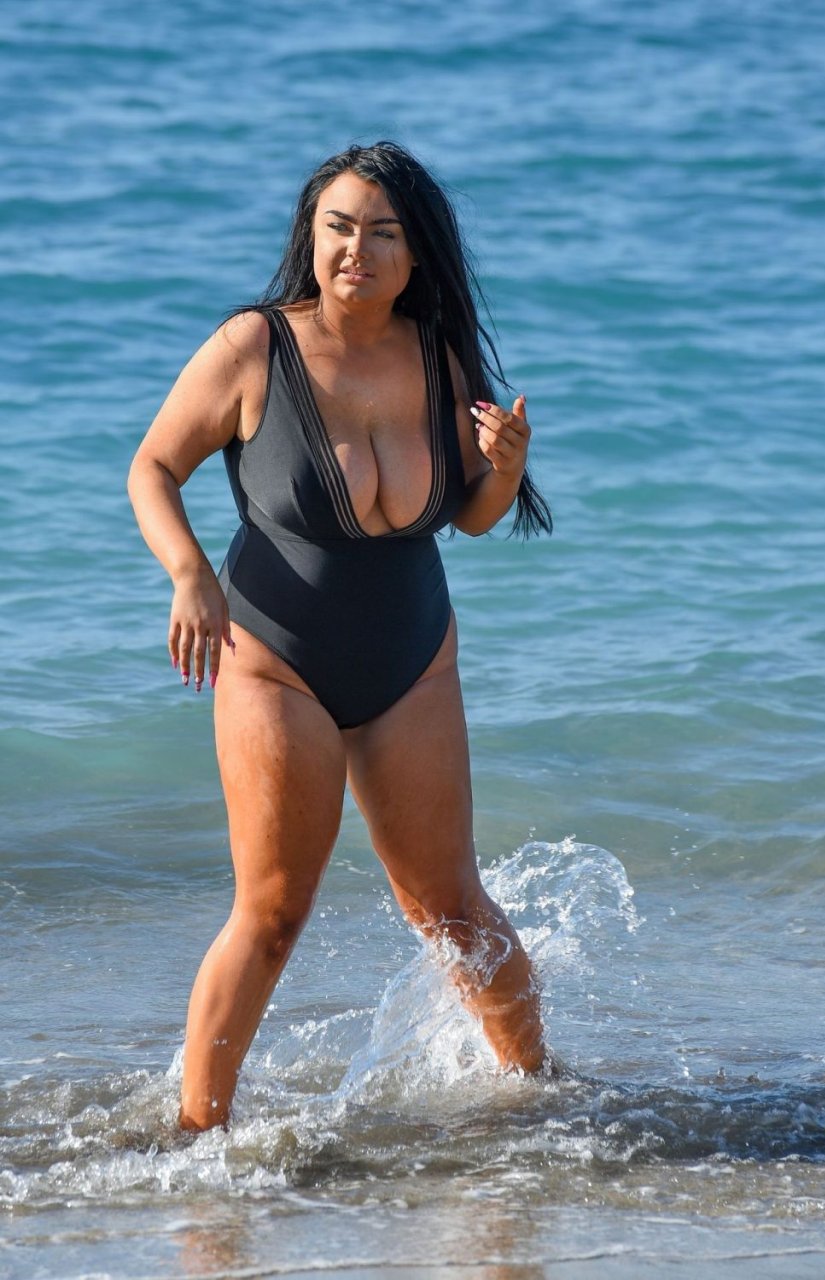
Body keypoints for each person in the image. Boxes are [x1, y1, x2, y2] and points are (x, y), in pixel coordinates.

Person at [127, 141, 553, 1132]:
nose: (357, 249)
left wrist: (503, 468)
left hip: (413, 658)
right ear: (311, 237)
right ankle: (197, 1138)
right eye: (339, 227)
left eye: (383, 233)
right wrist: (189, 574)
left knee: (452, 906)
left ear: (416, 254)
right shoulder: (253, 347)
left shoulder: (437, 355)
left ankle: (543, 1106)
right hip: (275, 657)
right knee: (273, 911)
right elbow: (152, 466)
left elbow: (472, 518)